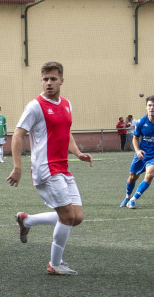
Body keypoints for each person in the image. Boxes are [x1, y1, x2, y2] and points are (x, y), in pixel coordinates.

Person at [6, 61, 93, 276]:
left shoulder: (66, 104)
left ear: (62, 80)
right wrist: (17, 167)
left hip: (63, 168)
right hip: (46, 169)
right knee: (67, 216)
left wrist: (77, 153)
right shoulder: (35, 106)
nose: (48, 83)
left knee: (76, 217)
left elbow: (67, 133)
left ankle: (27, 220)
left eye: (53, 79)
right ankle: (55, 264)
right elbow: (17, 135)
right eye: (45, 79)